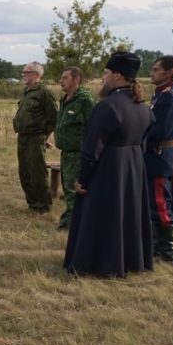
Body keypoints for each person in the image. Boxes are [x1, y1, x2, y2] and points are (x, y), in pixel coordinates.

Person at [64, 52, 154, 277]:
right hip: (133, 166)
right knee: (127, 215)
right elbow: (144, 141)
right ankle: (130, 261)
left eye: (105, 74)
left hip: (109, 169)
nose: (103, 79)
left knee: (103, 217)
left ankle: (102, 263)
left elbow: (91, 148)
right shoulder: (143, 107)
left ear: (116, 75)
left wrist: (83, 179)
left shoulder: (107, 107)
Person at [145, 55, 173, 263]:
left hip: (160, 156)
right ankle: (154, 249)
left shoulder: (170, 97)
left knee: (160, 203)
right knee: (154, 203)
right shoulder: (162, 95)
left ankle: (168, 252)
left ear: (169, 72)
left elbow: (159, 130)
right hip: (156, 156)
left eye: (156, 69)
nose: (151, 73)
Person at [13, 61, 58, 213]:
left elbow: (53, 117)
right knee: (24, 171)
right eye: (23, 72)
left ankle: (42, 205)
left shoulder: (44, 92)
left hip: (36, 137)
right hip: (23, 137)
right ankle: (32, 202)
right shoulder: (26, 91)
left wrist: (45, 136)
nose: (23, 75)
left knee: (37, 171)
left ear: (36, 75)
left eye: (27, 72)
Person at [53, 66, 94, 230]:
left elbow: (92, 126)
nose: (61, 81)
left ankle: (74, 222)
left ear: (76, 80)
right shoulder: (65, 99)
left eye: (65, 78)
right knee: (68, 187)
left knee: (74, 188)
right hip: (66, 152)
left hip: (79, 152)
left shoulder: (84, 99)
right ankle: (71, 218)